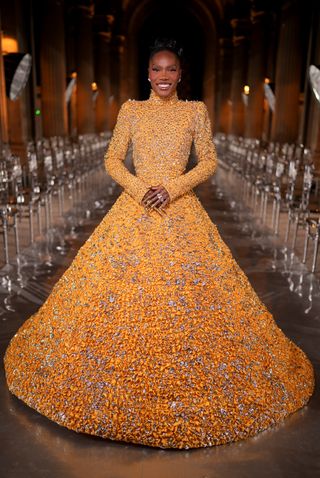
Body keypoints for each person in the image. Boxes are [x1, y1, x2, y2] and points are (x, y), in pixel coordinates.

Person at [4, 38, 314, 450]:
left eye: (170, 69)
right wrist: (139, 189)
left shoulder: (195, 112)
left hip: (180, 208)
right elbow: (113, 159)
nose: (163, 76)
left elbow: (208, 161)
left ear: (180, 74)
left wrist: (171, 188)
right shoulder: (131, 110)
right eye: (156, 69)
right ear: (147, 73)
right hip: (134, 207)